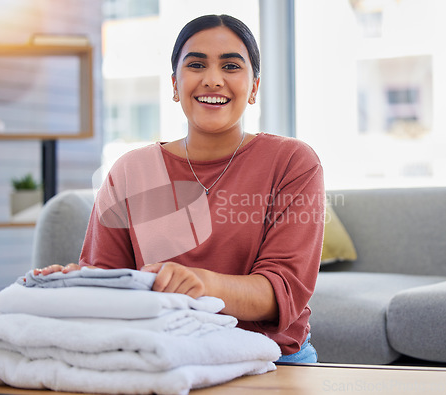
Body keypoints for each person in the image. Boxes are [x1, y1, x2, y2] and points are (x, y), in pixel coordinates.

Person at [35, 14, 324, 363]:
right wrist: (78, 281)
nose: (213, 80)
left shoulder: (293, 161)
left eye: (231, 66)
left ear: (254, 88)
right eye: (197, 65)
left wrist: (199, 285)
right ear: (175, 85)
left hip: (269, 360)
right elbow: (112, 280)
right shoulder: (131, 170)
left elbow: (282, 294)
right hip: (163, 353)